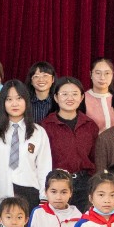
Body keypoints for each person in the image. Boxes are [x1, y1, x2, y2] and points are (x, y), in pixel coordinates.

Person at [0, 79, 51, 208]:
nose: (14, 104)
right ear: (3, 103)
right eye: (9, 99)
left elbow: (44, 167)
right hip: (0, 192)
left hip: (30, 192)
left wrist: (44, 197)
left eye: (19, 98)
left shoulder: (38, 132)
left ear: (26, 101)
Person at [41, 77, 99, 208]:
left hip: (84, 184)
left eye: (74, 94)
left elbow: (94, 157)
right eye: (64, 94)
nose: (70, 98)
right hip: (56, 184)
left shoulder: (90, 125)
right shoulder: (45, 126)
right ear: (56, 98)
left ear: (82, 97)